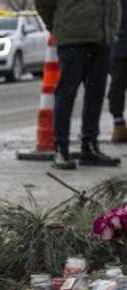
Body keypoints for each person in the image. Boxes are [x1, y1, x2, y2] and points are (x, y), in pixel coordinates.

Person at [36, 0, 122, 168]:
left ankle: (89, 146)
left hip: (103, 35)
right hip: (73, 38)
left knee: (96, 93)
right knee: (67, 93)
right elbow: (43, 3)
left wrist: (112, 27)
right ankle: (61, 148)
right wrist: (59, 26)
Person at [108, 0, 127, 143]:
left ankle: (118, 123)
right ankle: (118, 123)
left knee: (117, 86)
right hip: (118, 44)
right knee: (117, 86)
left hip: (117, 44)